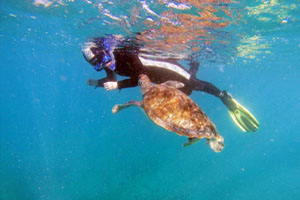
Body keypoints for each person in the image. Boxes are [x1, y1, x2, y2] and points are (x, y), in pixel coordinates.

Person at [82, 35, 259, 132]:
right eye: (98, 65)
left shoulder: (125, 53)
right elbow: (111, 78)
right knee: (186, 91)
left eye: (104, 59)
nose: (105, 65)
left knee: (193, 84)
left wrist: (119, 86)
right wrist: (98, 82)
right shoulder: (108, 62)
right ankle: (194, 65)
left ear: (107, 50)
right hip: (156, 80)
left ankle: (223, 97)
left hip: (163, 69)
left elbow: (140, 76)